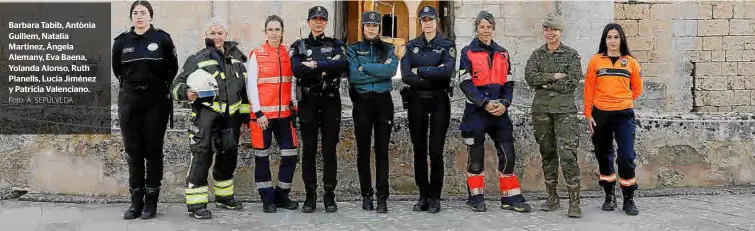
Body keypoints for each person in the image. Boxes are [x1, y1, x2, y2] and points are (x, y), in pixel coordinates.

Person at [170, 16, 247, 219]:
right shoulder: (197, 59)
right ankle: (196, 205)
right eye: (212, 33)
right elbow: (176, 85)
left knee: (228, 157)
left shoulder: (237, 59)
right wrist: (186, 93)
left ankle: (224, 198)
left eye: (220, 33)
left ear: (226, 35)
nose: (217, 37)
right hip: (205, 117)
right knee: (202, 158)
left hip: (231, 118)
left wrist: (245, 119)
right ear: (205, 35)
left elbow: (244, 92)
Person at [458, 11, 532, 213]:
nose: (485, 30)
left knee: (508, 155)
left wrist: (505, 103)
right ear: (476, 28)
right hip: (476, 113)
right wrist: (484, 103)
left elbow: (509, 83)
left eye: (489, 27)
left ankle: (510, 198)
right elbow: (465, 83)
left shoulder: (503, 53)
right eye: (481, 27)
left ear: (494, 29)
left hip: (500, 113)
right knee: (476, 157)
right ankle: (476, 198)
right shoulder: (467, 52)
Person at [112, 0, 177, 220]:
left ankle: (151, 202)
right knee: (133, 152)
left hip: (155, 101)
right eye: (135, 12)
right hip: (130, 101)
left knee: (153, 151)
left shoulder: (162, 39)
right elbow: (117, 70)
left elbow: (172, 68)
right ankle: (135, 202)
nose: (139, 16)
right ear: (131, 17)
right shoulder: (122, 42)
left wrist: (157, 88)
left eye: (143, 12)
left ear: (150, 16)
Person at [524, 13, 584, 218]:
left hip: (565, 112)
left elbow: (572, 81)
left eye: (554, 29)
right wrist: (552, 76)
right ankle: (552, 197)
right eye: (547, 29)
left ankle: (574, 201)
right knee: (548, 153)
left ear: (561, 32)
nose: (550, 33)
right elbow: (530, 78)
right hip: (541, 111)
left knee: (567, 155)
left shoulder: (571, 55)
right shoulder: (537, 55)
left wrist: (544, 82)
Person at [290, 6, 348, 213]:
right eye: (314, 19)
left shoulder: (336, 44)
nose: (318, 22)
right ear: (308, 22)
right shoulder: (299, 46)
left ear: (326, 22)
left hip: (331, 101)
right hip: (309, 102)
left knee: (330, 150)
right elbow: (296, 69)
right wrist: (325, 67)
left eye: (322, 19)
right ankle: (310, 196)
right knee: (309, 150)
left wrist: (314, 65)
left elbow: (341, 64)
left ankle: (329, 196)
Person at [583, 23, 643, 216]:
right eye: (609, 37)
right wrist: (588, 114)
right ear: (604, 40)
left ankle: (628, 198)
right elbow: (589, 89)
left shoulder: (631, 62)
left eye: (616, 37)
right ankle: (609, 195)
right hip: (600, 114)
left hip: (624, 115)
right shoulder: (596, 61)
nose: (612, 41)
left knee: (626, 156)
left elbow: (637, 89)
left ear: (621, 39)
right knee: (604, 155)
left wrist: (622, 100)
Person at [400, 6, 455, 214]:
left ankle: (435, 197)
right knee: (419, 151)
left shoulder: (447, 45)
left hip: (440, 101)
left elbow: (447, 72)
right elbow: (406, 75)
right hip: (417, 102)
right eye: (423, 20)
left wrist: (420, 71)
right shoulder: (412, 45)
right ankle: (423, 195)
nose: (427, 23)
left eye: (430, 19)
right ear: (420, 22)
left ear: (436, 21)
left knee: (436, 151)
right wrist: (434, 72)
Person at [346, 10, 399, 214]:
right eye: (368, 25)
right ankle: (366, 195)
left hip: (383, 102)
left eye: (375, 26)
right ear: (363, 27)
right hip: (361, 103)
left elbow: (390, 72)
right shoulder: (353, 49)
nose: (371, 29)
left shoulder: (388, 48)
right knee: (363, 151)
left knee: (382, 152)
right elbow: (353, 77)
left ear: (379, 28)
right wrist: (377, 71)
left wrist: (364, 68)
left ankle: (382, 197)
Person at [246, 15, 300, 213]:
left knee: (291, 154)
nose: (274, 33)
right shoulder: (257, 54)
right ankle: (267, 198)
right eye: (270, 30)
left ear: (282, 31)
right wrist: (258, 112)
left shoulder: (288, 53)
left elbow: (291, 81)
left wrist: (294, 103)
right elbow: (251, 85)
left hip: (285, 115)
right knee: (262, 156)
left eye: (277, 29)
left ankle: (281, 195)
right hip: (263, 117)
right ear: (265, 32)